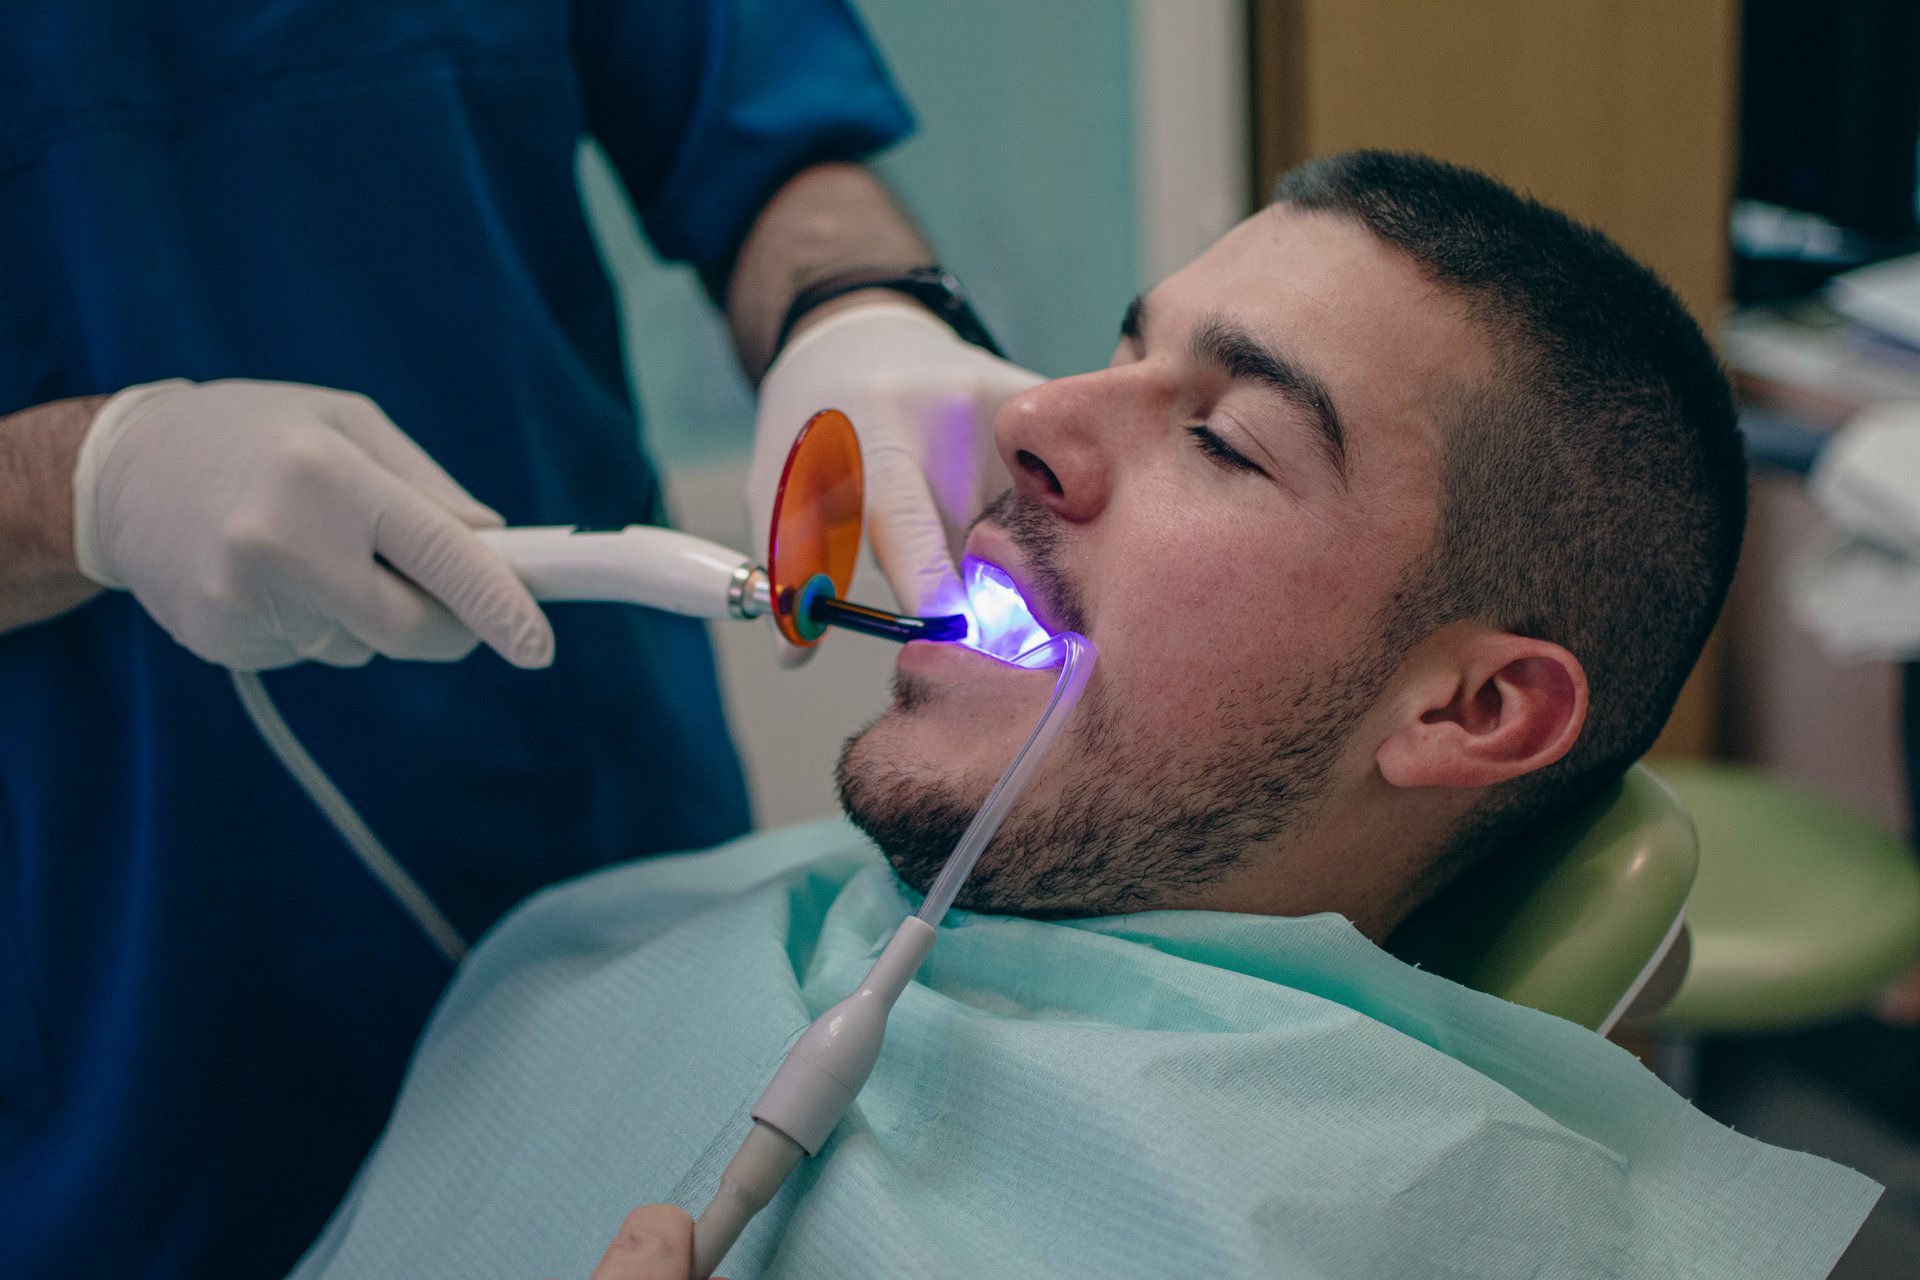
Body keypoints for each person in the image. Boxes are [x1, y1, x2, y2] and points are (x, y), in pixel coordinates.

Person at [297, 152, 1879, 1278]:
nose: (1028, 414)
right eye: (1123, 351)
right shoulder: (639, 929)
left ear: (1468, 709)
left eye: (1228, 440)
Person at [0, 4, 1041, 1278]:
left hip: (600, 844)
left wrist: (858, 305)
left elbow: (772, 141)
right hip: (119, 1010)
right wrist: (78, 487)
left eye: (1228, 436)